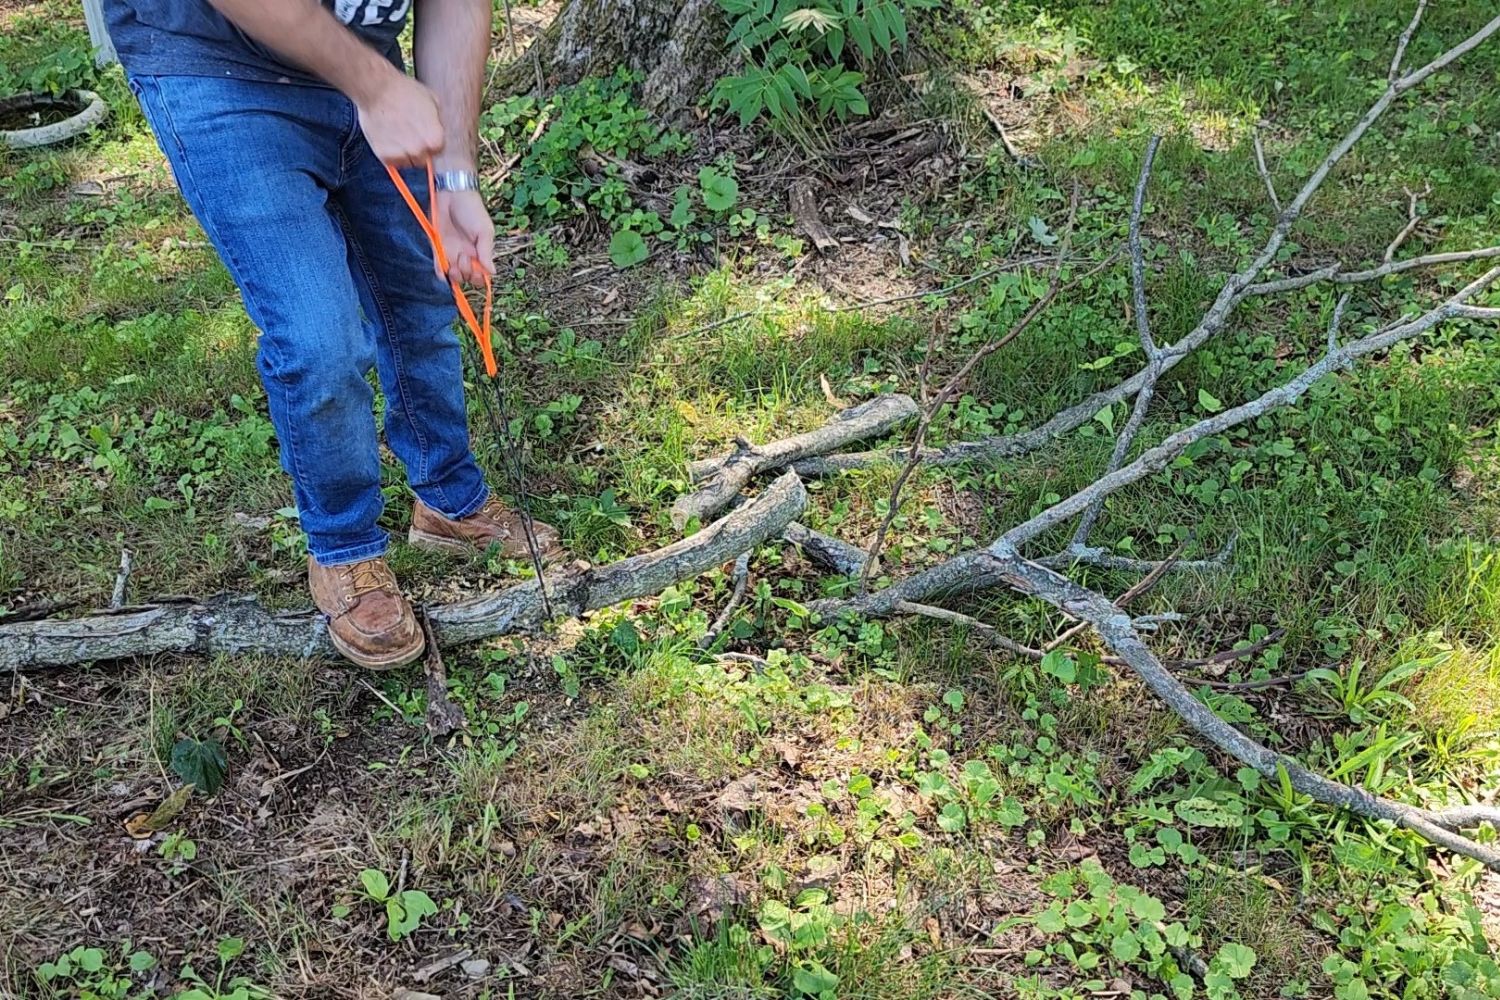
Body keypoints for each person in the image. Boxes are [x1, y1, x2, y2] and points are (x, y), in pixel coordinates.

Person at [103, 0, 563, 670]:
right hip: (219, 72)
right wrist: (375, 89)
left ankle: (448, 501)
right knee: (319, 338)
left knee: (418, 300)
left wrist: (456, 175)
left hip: (365, 70)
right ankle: (346, 550)